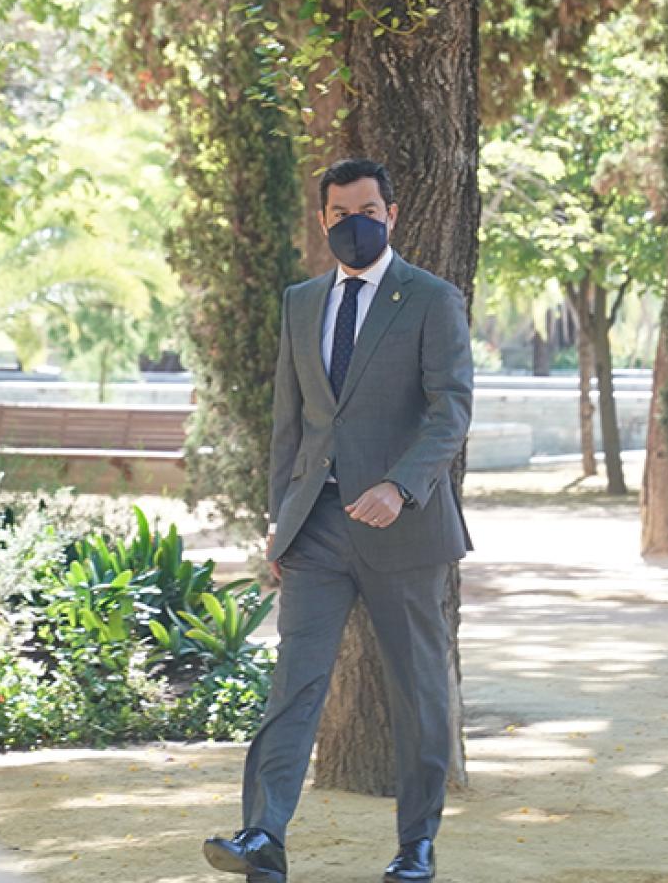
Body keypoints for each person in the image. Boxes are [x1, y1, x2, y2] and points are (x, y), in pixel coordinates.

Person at [203, 158, 474, 883]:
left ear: (392, 214)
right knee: (294, 683)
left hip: (403, 528)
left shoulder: (431, 299)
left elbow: (452, 410)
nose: (355, 223)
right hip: (316, 528)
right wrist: (278, 522)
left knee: (417, 691)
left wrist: (402, 485)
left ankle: (416, 846)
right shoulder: (299, 302)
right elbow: (288, 425)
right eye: (340, 213)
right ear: (324, 220)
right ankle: (263, 837)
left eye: (368, 210)